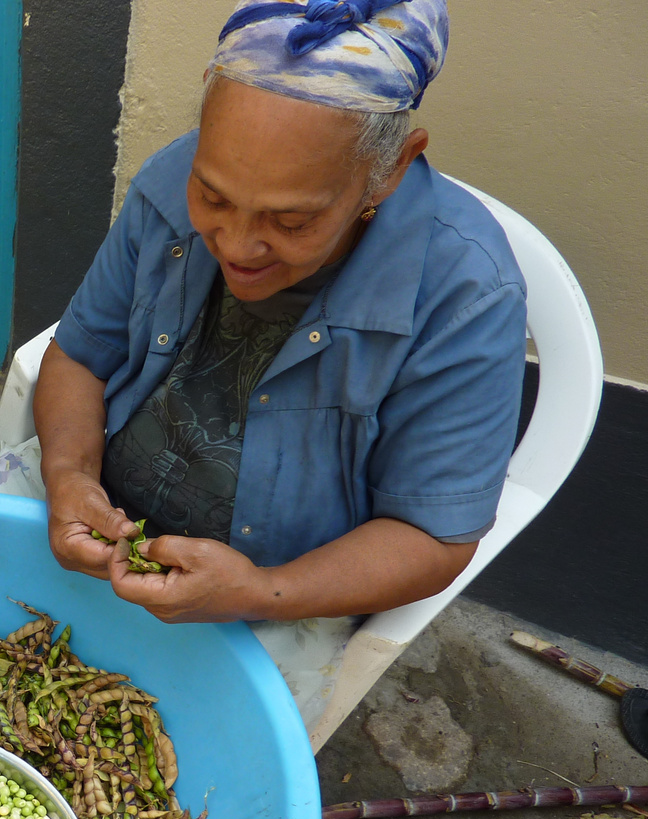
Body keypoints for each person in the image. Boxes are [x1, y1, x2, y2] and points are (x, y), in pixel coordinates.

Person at [32, 0, 525, 649]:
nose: (235, 244)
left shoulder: (466, 294)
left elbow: (433, 537)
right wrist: (69, 475)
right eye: (212, 197)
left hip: (284, 593)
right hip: (104, 518)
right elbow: (78, 356)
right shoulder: (170, 175)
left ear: (391, 170)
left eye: (290, 223)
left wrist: (263, 591)